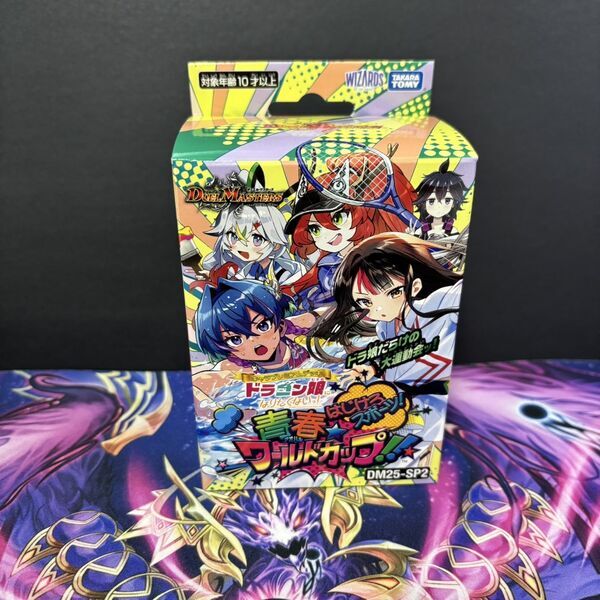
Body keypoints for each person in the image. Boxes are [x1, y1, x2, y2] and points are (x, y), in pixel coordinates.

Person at [307, 233, 462, 386]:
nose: (379, 308)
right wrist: (373, 369)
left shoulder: (438, 302)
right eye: (365, 301)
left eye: (394, 293)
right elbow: (396, 357)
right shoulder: (385, 327)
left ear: (415, 287)